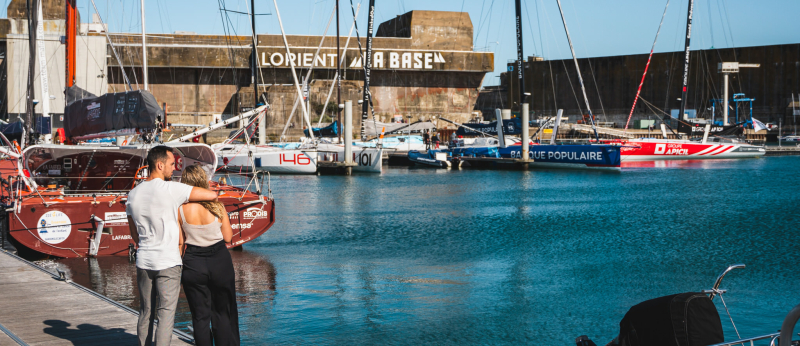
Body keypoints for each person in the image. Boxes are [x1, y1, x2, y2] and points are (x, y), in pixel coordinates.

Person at [126, 145, 219, 346]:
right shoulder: (171, 189)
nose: (173, 168)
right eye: (170, 164)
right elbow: (211, 196)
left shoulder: (132, 195)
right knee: (166, 314)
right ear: (159, 165)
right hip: (168, 262)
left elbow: (134, 234)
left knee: (146, 312)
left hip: (144, 262)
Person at [178, 165, 239, 346]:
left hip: (193, 262)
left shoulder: (180, 209)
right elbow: (228, 237)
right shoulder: (217, 206)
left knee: (200, 316)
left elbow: (180, 243)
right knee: (222, 313)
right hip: (219, 260)